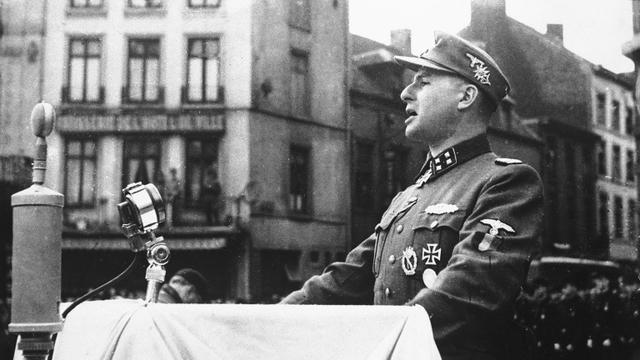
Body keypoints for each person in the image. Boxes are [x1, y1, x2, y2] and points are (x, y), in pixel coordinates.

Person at [280, 31, 543, 360]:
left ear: (466, 96)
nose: (406, 92)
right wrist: (273, 319)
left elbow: (470, 285)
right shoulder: (406, 198)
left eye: (424, 81)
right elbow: (346, 278)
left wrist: (388, 345)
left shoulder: (506, 181)